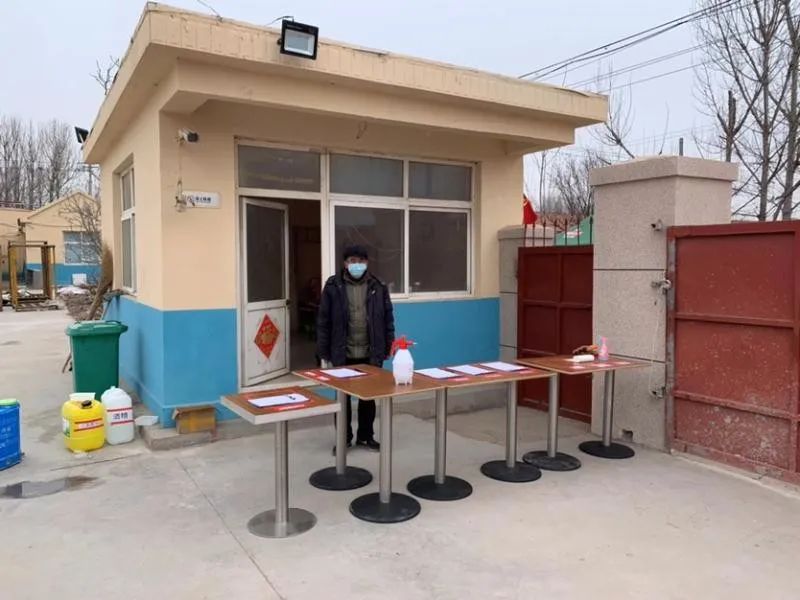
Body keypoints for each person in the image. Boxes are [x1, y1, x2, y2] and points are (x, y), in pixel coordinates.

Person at [317, 245, 395, 452]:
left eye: (360, 261)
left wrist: (389, 345)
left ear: (367, 263)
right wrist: (323, 353)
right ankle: (344, 438)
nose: (356, 265)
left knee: (368, 399)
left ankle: (365, 437)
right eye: (352, 261)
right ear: (345, 264)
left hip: (370, 353)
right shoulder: (333, 286)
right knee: (343, 400)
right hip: (343, 353)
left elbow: (387, 318)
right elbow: (323, 321)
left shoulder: (378, 286)